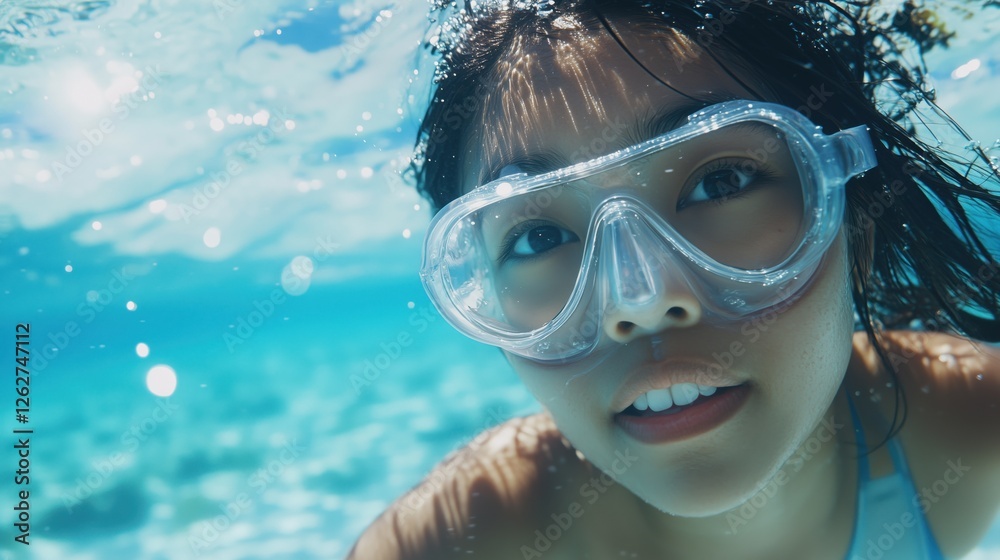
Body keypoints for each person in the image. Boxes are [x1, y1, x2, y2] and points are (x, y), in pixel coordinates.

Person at [349, 1, 1000, 558]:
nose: (643, 301)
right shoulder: (446, 546)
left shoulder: (976, 424)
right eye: (539, 237)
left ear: (853, 223)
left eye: (721, 181)